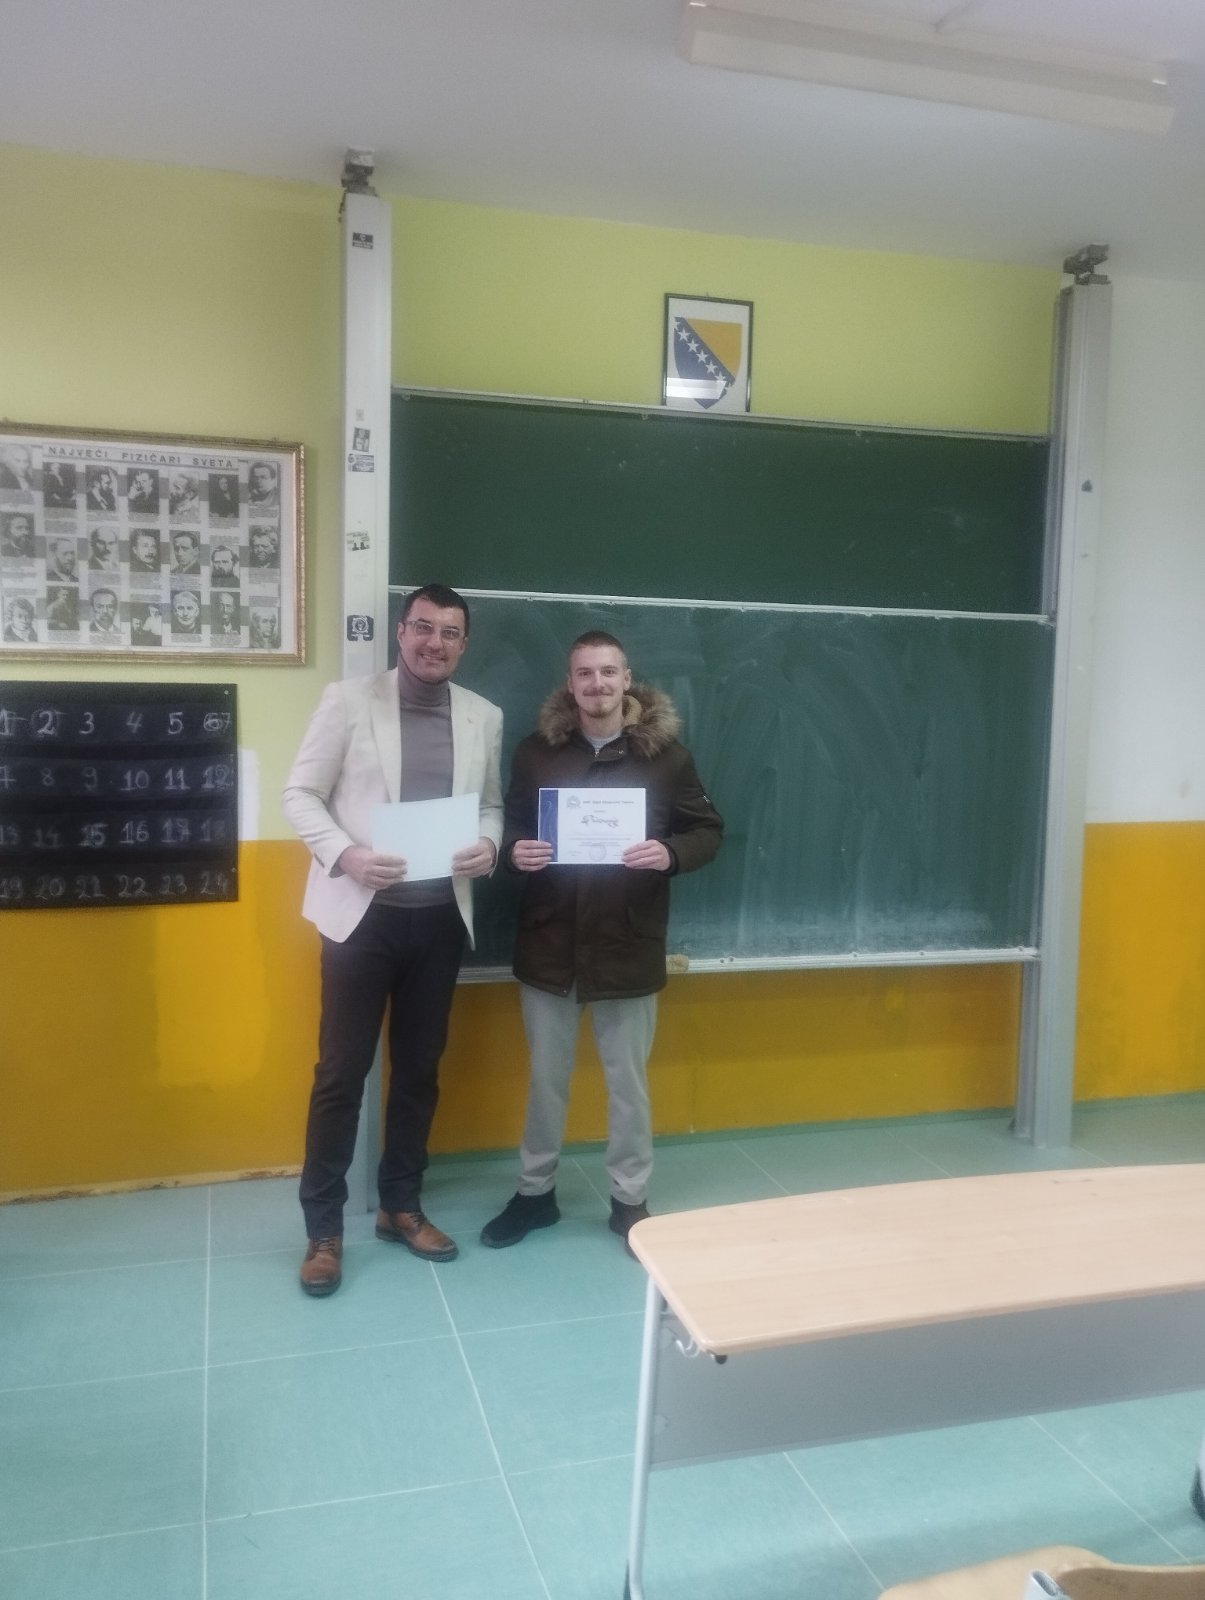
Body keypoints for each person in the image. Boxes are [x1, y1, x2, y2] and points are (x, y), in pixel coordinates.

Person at [282, 583, 503, 1298]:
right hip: (362, 920)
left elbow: (491, 805)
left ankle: (399, 1206)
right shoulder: (348, 701)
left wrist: (489, 846)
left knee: (418, 1071)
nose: (435, 643)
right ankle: (323, 1230)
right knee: (340, 1075)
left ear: (463, 644)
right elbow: (299, 794)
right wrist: (345, 855)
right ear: (401, 632)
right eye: (423, 628)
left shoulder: (483, 716)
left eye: (450, 632)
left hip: (439, 920)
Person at [481, 630, 722, 1252]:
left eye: (608, 672)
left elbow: (707, 831)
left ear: (626, 679)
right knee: (545, 1081)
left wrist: (669, 853)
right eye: (585, 674)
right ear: (570, 684)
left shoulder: (667, 757)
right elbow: (508, 823)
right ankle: (534, 1194)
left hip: (626, 945)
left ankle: (630, 1200)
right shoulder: (536, 753)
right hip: (550, 946)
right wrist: (513, 850)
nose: (597, 684)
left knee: (627, 1084)